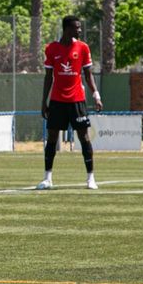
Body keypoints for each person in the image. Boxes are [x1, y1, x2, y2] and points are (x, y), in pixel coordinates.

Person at [37, 15, 103, 191]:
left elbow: (88, 75)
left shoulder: (82, 48)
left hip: (77, 101)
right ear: (67, 29)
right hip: (57, 101)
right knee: (51, 138)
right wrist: (44, 102)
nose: (79, 31)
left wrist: (96, 95)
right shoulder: (52, 48)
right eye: (77, 27)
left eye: (80, 27)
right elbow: (48, 77)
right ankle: (47, 179)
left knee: (84, 137)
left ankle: (90, 179)